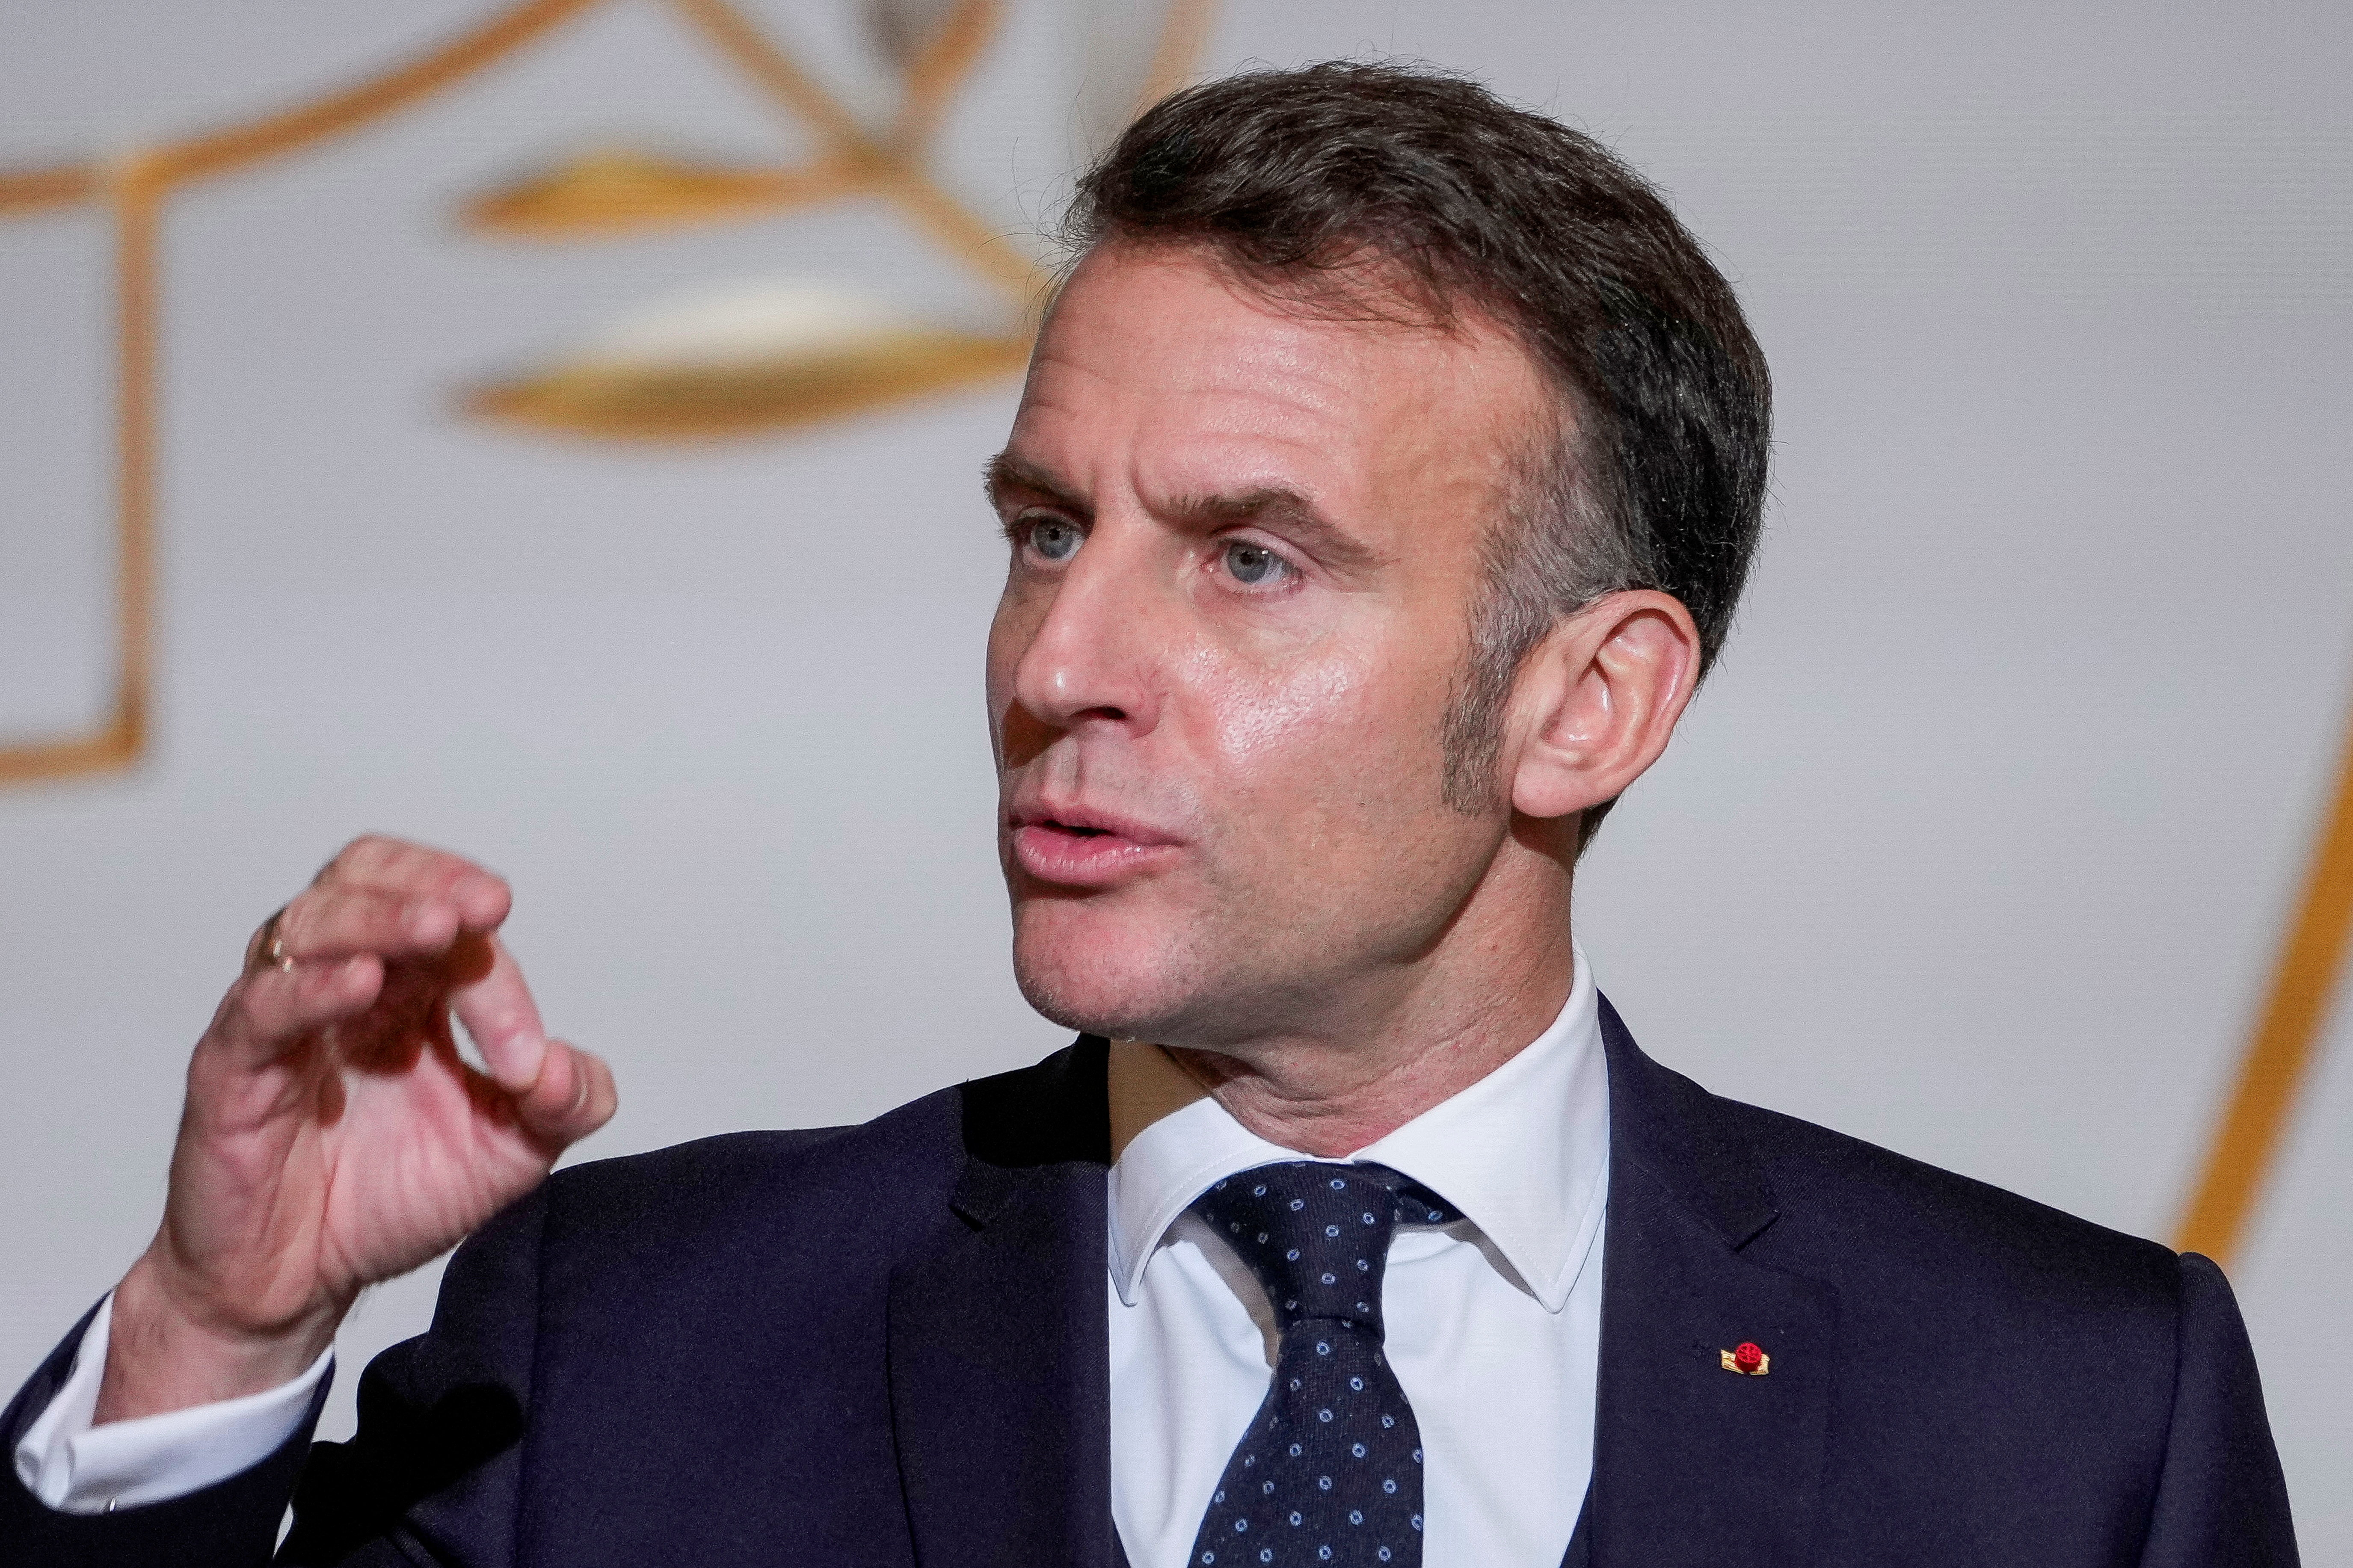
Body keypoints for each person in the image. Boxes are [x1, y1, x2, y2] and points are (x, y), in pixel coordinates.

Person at [0, 61, 2297, 1568]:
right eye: (1039, 526)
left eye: (1247, 555)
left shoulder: (2070, 1420)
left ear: (1588, 703)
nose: (1058, 660)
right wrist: (210, 1338)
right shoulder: (634, 1343)